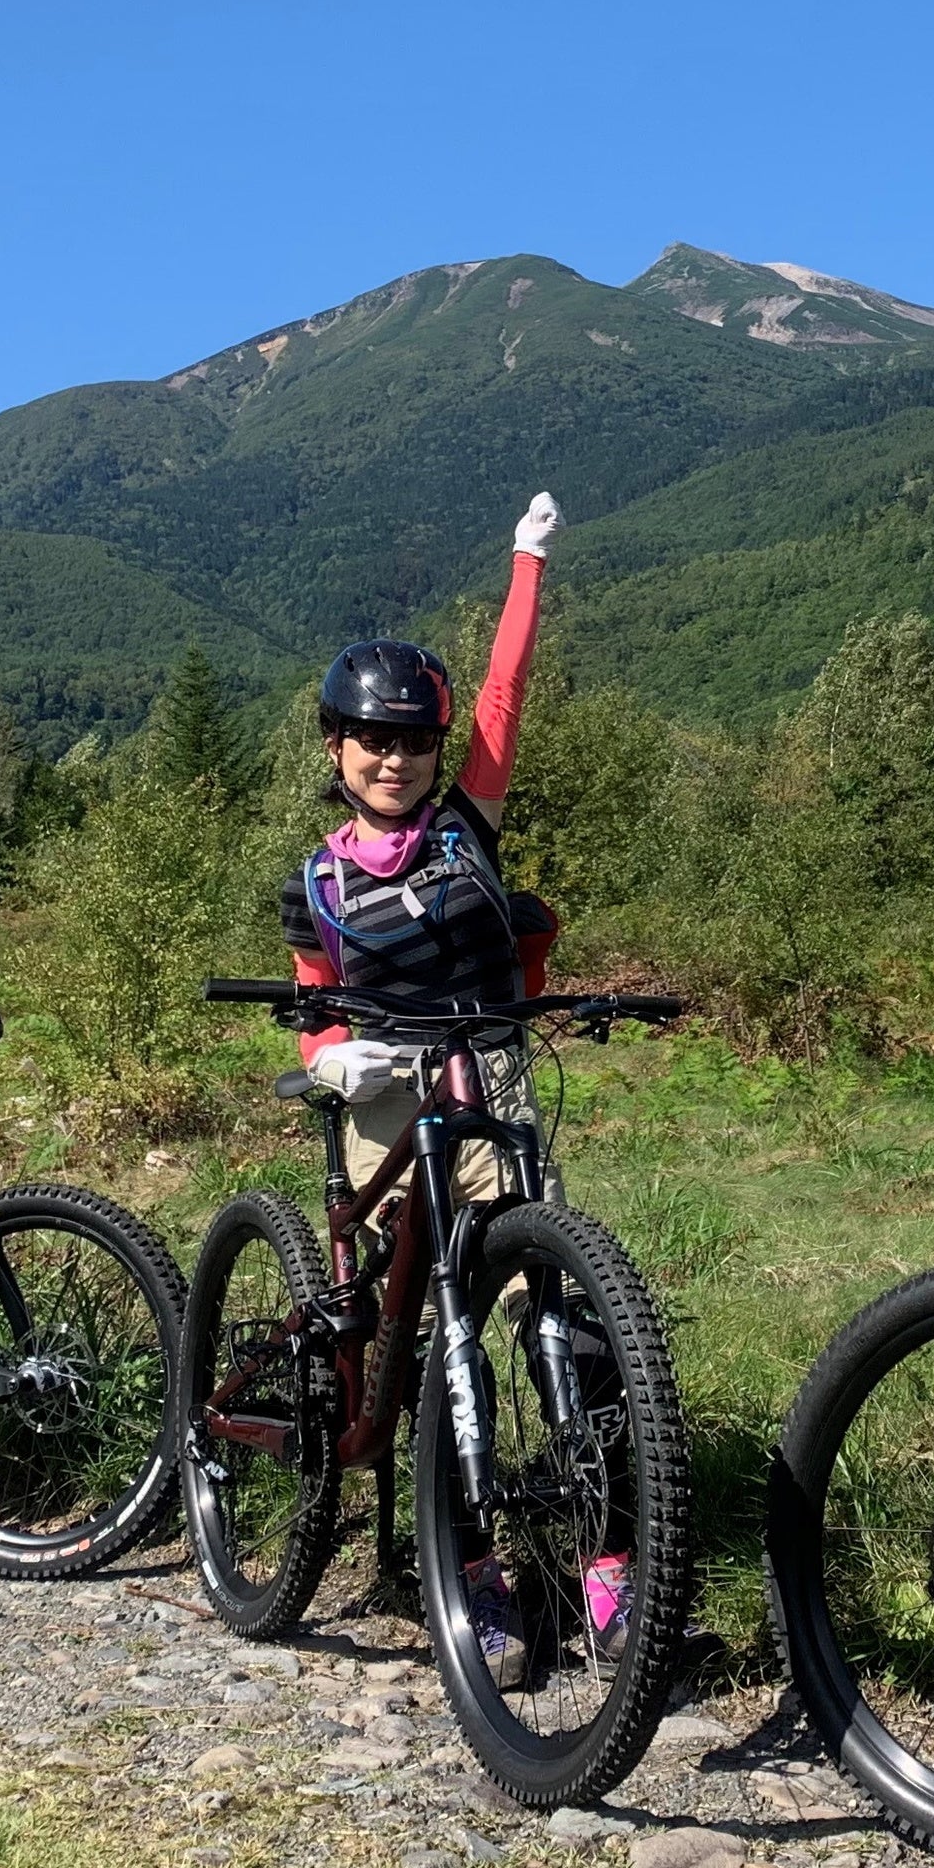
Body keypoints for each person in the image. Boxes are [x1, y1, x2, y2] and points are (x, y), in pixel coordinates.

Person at [278, 489, 585, 1682]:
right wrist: (327, 1055)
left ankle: (607, 1556)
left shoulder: (468, 823)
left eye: (411, 740)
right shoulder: (315, 878)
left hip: (489, 1072)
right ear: (336, 748)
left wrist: (524, 562)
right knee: (418, 1330)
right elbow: (313, 997)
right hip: (385, 1091)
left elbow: (504, 692)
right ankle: (470, 1568)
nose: (393, 757)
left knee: (550, 1303)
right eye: (371, 739)